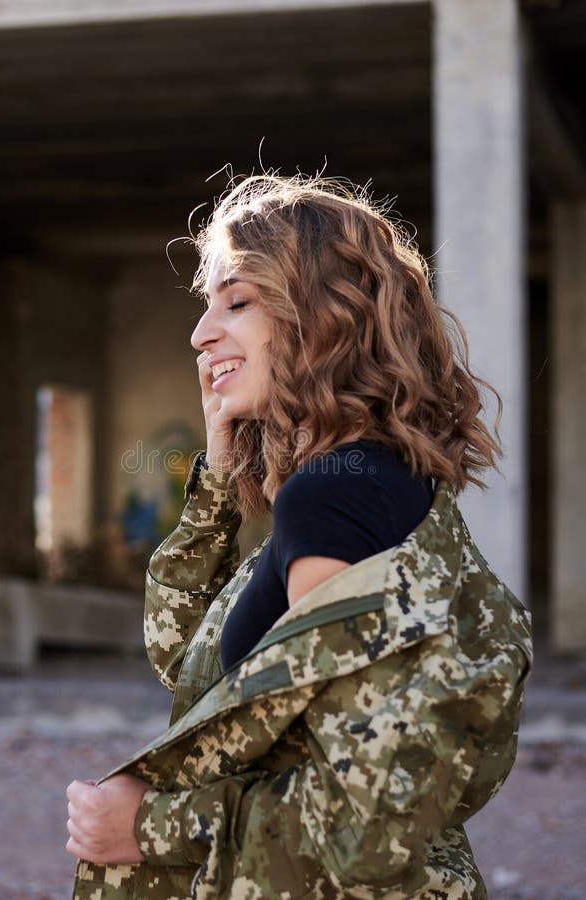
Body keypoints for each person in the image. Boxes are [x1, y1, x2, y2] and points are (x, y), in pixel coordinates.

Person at [67, 174, 533, 899]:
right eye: (206, 305)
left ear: (323, 317)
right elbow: (197, 675)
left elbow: (369, 814)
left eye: (238, 301)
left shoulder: (334, 498)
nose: (199, 333)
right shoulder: (372, 481)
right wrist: (219, 481)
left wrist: (144, 827)